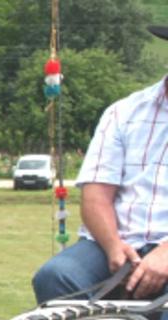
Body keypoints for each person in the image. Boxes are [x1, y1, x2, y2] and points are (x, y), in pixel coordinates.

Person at [32, 25, 168, 304]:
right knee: (55, 276)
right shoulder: (123, 112)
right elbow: (95, 197)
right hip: (114, 243)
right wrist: (114, 247)